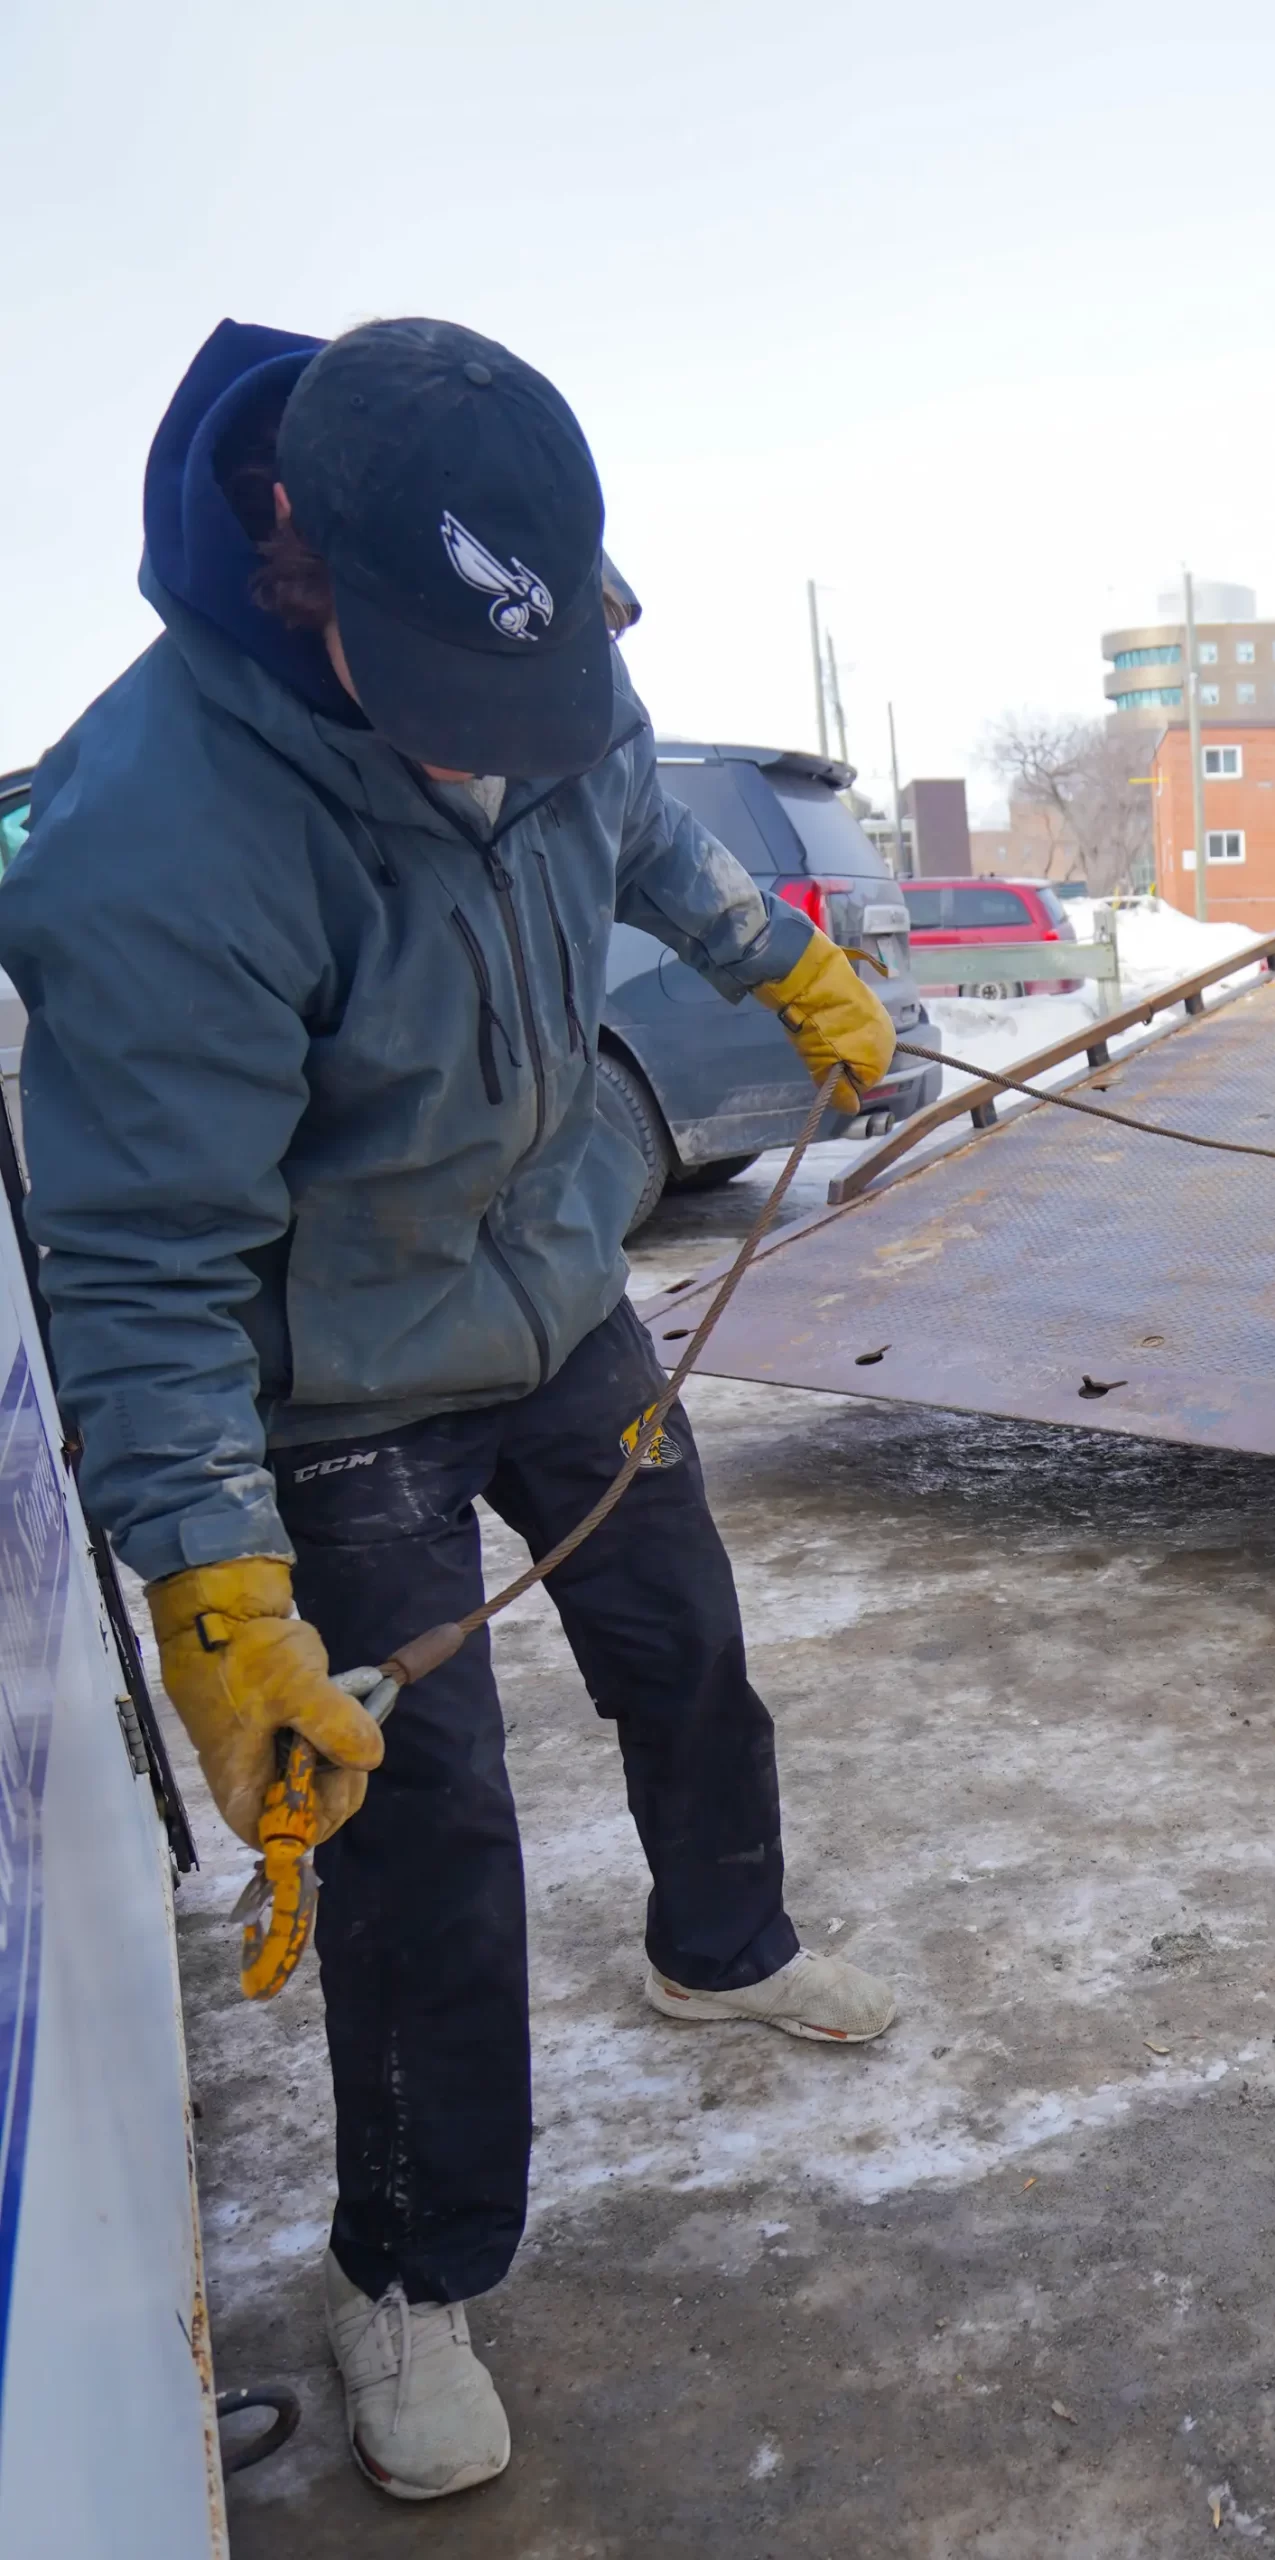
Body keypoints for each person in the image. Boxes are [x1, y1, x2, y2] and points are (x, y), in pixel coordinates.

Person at [0, 317, 904, 2501]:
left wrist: (775, 955)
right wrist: (214, 1585)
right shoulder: (157, 833)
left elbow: (625, 830)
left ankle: (722, 1944)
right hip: (334, 1384)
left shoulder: (531, 633)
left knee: (685, 1644)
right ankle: (407, 2268)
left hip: (555, 1285)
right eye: (455, 715)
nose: (501, 754)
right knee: (430, 1836)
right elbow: (140, 1254)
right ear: (301, 571)